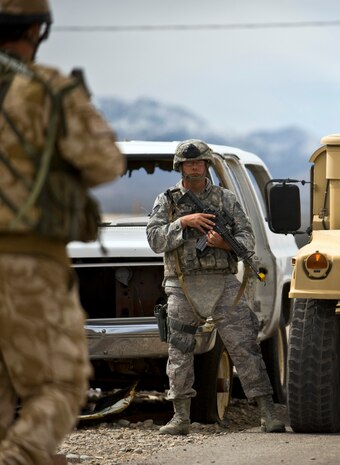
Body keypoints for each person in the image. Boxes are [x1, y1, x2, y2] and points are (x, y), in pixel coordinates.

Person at [0, 0, 125, 464]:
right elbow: (104, 162)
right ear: (37, 29)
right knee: (58, 381)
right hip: (27, 264)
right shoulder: (47, 89)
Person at [146, 139, 285, 435]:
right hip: (182, 284)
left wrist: (224, 244)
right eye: (188, 164)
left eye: (198, 163)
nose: (194, 168)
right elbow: (156, 240)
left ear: (207, 165)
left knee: (245, 347)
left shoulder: (225, 199)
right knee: (179, 350)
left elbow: (247, 238)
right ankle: (181, 417)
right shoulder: (167, 200)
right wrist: (184, 223)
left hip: (223, 283)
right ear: (180, 167)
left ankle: (267, 413)